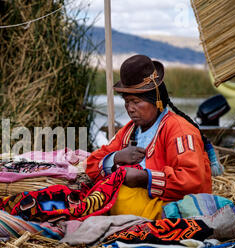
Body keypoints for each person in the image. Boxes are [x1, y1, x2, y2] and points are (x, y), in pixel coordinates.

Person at [85, 55, 214, 220]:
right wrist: (116, 157)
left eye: (136, 102)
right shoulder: (129, 131)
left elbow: (193, 180)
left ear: (156, 100)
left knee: (119, 198)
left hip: (172, 205)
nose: (130, 109)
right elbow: (91, 165)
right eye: (127, 102)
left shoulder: (179, 130)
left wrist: (144, 178)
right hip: (142, 202)